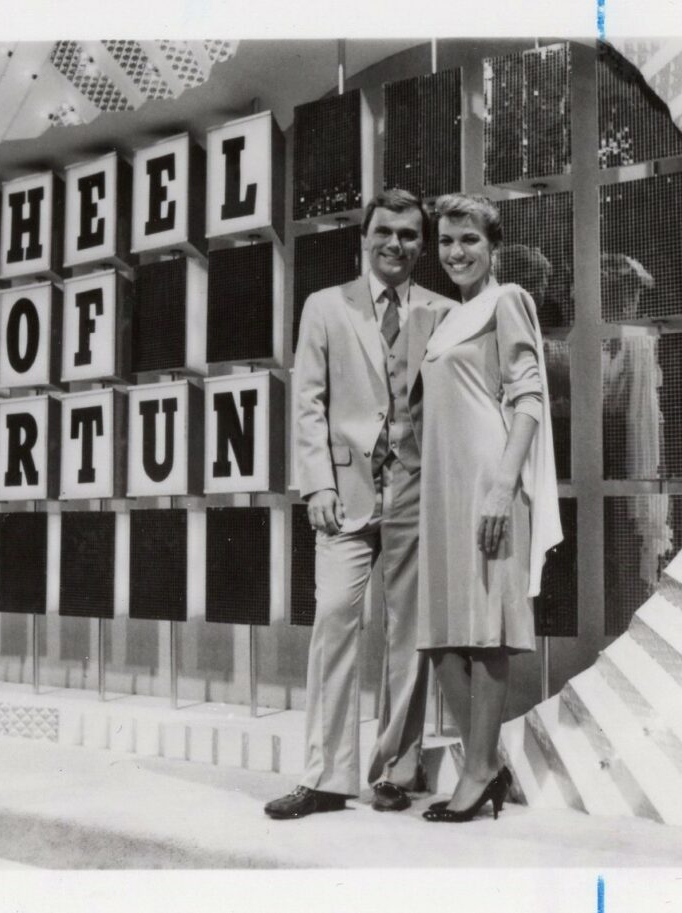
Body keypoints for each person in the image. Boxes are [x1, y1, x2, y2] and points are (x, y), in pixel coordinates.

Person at [264, 189, 457, 820]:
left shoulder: (444, 311)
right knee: (335, 622)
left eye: (407, 234)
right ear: (364, 238)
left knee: (409, 636)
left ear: (421, 246)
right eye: (384, 232)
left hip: (416, 491)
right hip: (344, 494)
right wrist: (316, 483)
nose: (394, 244)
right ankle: (325, 777)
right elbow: (308, 402)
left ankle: (397, 771)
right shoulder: (325, 307)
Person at [417, 193, 561, 823]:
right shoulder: (449, 317)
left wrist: (504, 486)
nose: (456, 252)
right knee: (441, 635)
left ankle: (478, 770)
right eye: (446, 241)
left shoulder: (508, 302)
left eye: (468, 240)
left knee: (486, 633)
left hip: (488, 482)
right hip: (441, 487)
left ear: (493, 245)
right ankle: (488, 765)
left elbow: (529, 398)